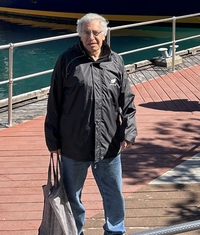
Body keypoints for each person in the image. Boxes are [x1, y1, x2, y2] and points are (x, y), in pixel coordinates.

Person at [45, 13, 137, 235]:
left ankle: (115, 231)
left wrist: (129, 132)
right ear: (79, 35)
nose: (91, 37)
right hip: (73, 144)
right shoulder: (67, 61)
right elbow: (54, 102)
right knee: (72, 196)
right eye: (86, 32)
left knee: (114, 193)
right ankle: (74, 231)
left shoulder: (116, 61)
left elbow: (128, 101)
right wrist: (53, 139)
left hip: (109, 143)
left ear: (104, 34)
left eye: (96, 32)